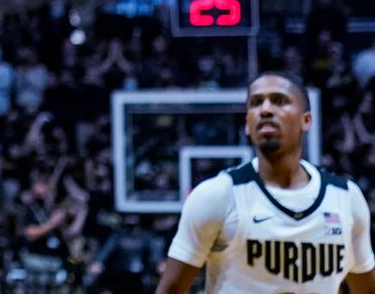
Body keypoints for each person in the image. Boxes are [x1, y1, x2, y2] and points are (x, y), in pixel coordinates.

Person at [156, 71, 375, 294]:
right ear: (247, 124)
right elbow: (170, 289)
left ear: (306, 120)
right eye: (256, 103)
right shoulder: (217, 195)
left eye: (279, 101)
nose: (266, 110)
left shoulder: (346, 197)